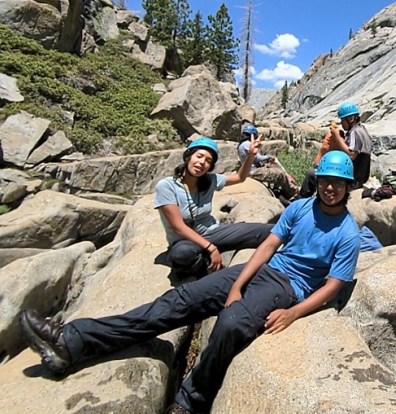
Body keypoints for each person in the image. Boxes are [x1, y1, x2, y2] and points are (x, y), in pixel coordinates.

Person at [18, 150, 361, 414]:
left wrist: (293, 313)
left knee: (231, 323)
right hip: (264, 272)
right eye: (325, 180)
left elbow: (332, 286)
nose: (330, 188)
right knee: (180, 299)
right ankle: (72, 340)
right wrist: (238, 284)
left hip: (288, 287)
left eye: (338, 183)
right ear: (316, 181)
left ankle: (191, 400)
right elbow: (268, 246)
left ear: (348, 187)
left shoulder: (348, 233)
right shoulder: (300, 208)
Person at [155, 136, 273, 278]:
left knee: (271, 232)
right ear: (188, 156)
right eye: (199, 156)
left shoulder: (210, 180)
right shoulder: (167, 186)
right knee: (182, 255)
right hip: (185, 241)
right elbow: (178, 227)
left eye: (208, 161)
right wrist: (211, 249)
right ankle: (207, 266)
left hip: (214, 232)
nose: (202, 163)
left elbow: (240, 177)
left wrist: (251, 156)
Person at [300, 102, 373, 197]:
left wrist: (337, 137)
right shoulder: (363, 130)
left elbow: (352, 155)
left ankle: (300, 201)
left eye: (343, 120)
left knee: (311, 174)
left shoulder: (355, 132)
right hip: (358, 178)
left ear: (351, 119)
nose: (341, 123)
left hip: (351, 179)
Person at [238, 124, 298, 200]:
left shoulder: (241, 145)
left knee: (274, 166)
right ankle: (292, 192)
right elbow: (258, 158)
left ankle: (280, 188)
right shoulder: (247, 144)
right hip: (254, 171)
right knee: (280, 174)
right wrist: (269, 157)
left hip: (252, 170)